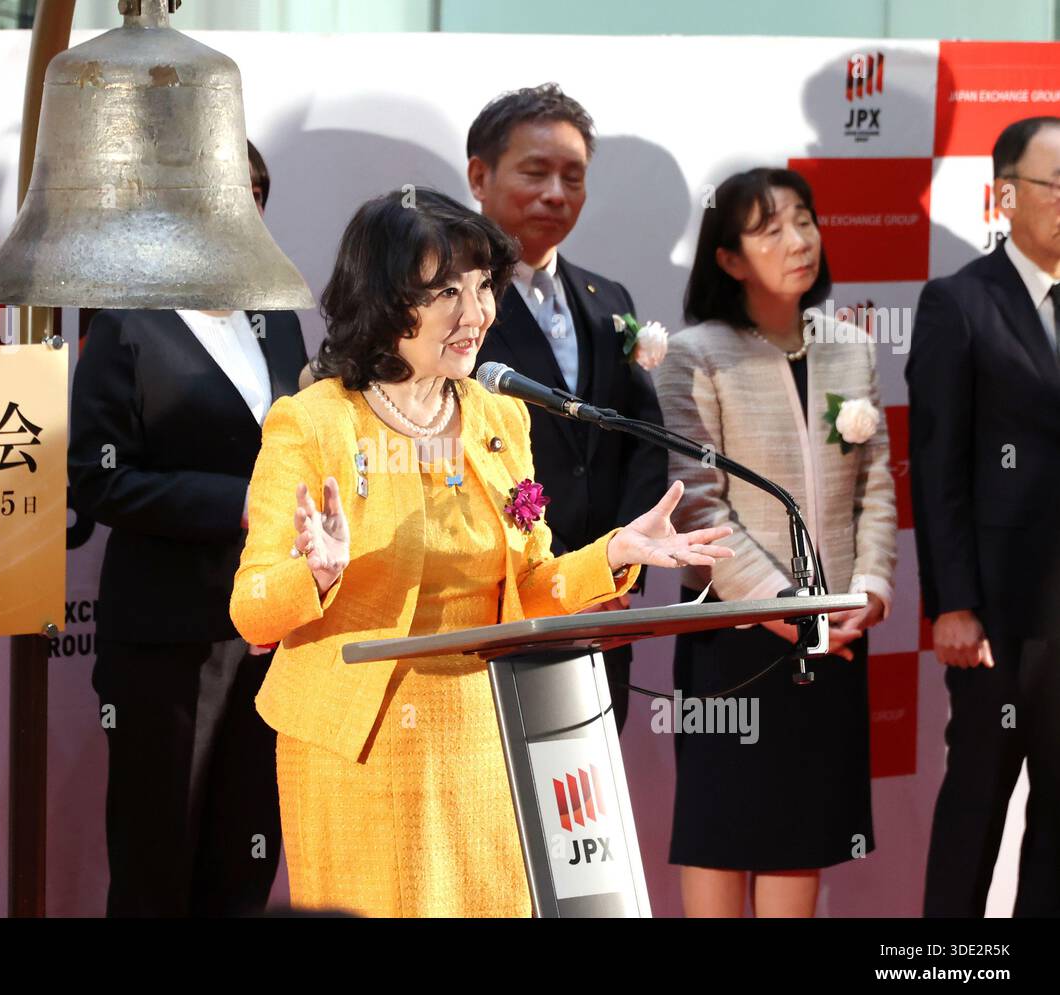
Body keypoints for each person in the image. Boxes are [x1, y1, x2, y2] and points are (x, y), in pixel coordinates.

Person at [229, 187, 732, 917]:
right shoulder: (311, 423)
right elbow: (251, 611)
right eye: (447, 292)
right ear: (387, 299)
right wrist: (317, 571)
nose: (479, 314)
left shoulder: (500, 415)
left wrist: (612, 552)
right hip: (359, 746)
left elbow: (526, 588)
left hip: (491, 735)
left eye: (483, 287)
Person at [69, 140, 307, 916]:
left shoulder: (279, 321)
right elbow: (98, 477)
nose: (244, 208)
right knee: (157, 866)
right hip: (169, 645)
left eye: (256, 192)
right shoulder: (127, 324)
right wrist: (237, 503)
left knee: (244, 866)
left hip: (273, 635)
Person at [654, 167, 896, 917]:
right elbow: (696, 506)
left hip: (836, 636)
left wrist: (871, 592)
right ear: (728, 259)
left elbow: (876, 488)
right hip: (733, 632)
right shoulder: (695, 354)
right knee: (720, 830)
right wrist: (784, 607)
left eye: (806, 220)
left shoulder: (851, 346)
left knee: (804, 833)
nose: (799, 241)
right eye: (770, 229)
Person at [468, 83, 668, 732]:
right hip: (496, 609)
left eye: (572, 176)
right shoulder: (447, 305)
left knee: (591, 800)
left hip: (602, 609)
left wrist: (620, 572)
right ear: (480, 175)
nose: (556, 193)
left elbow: (643, 439)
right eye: (535, 172)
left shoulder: (607, 298)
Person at [909, 116, 1060, 918]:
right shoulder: (958, 303)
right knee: (976, 807)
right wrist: (953, 603)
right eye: (1056, 184)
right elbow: (938, 470)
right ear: (1005, 194)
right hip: (997, 616)